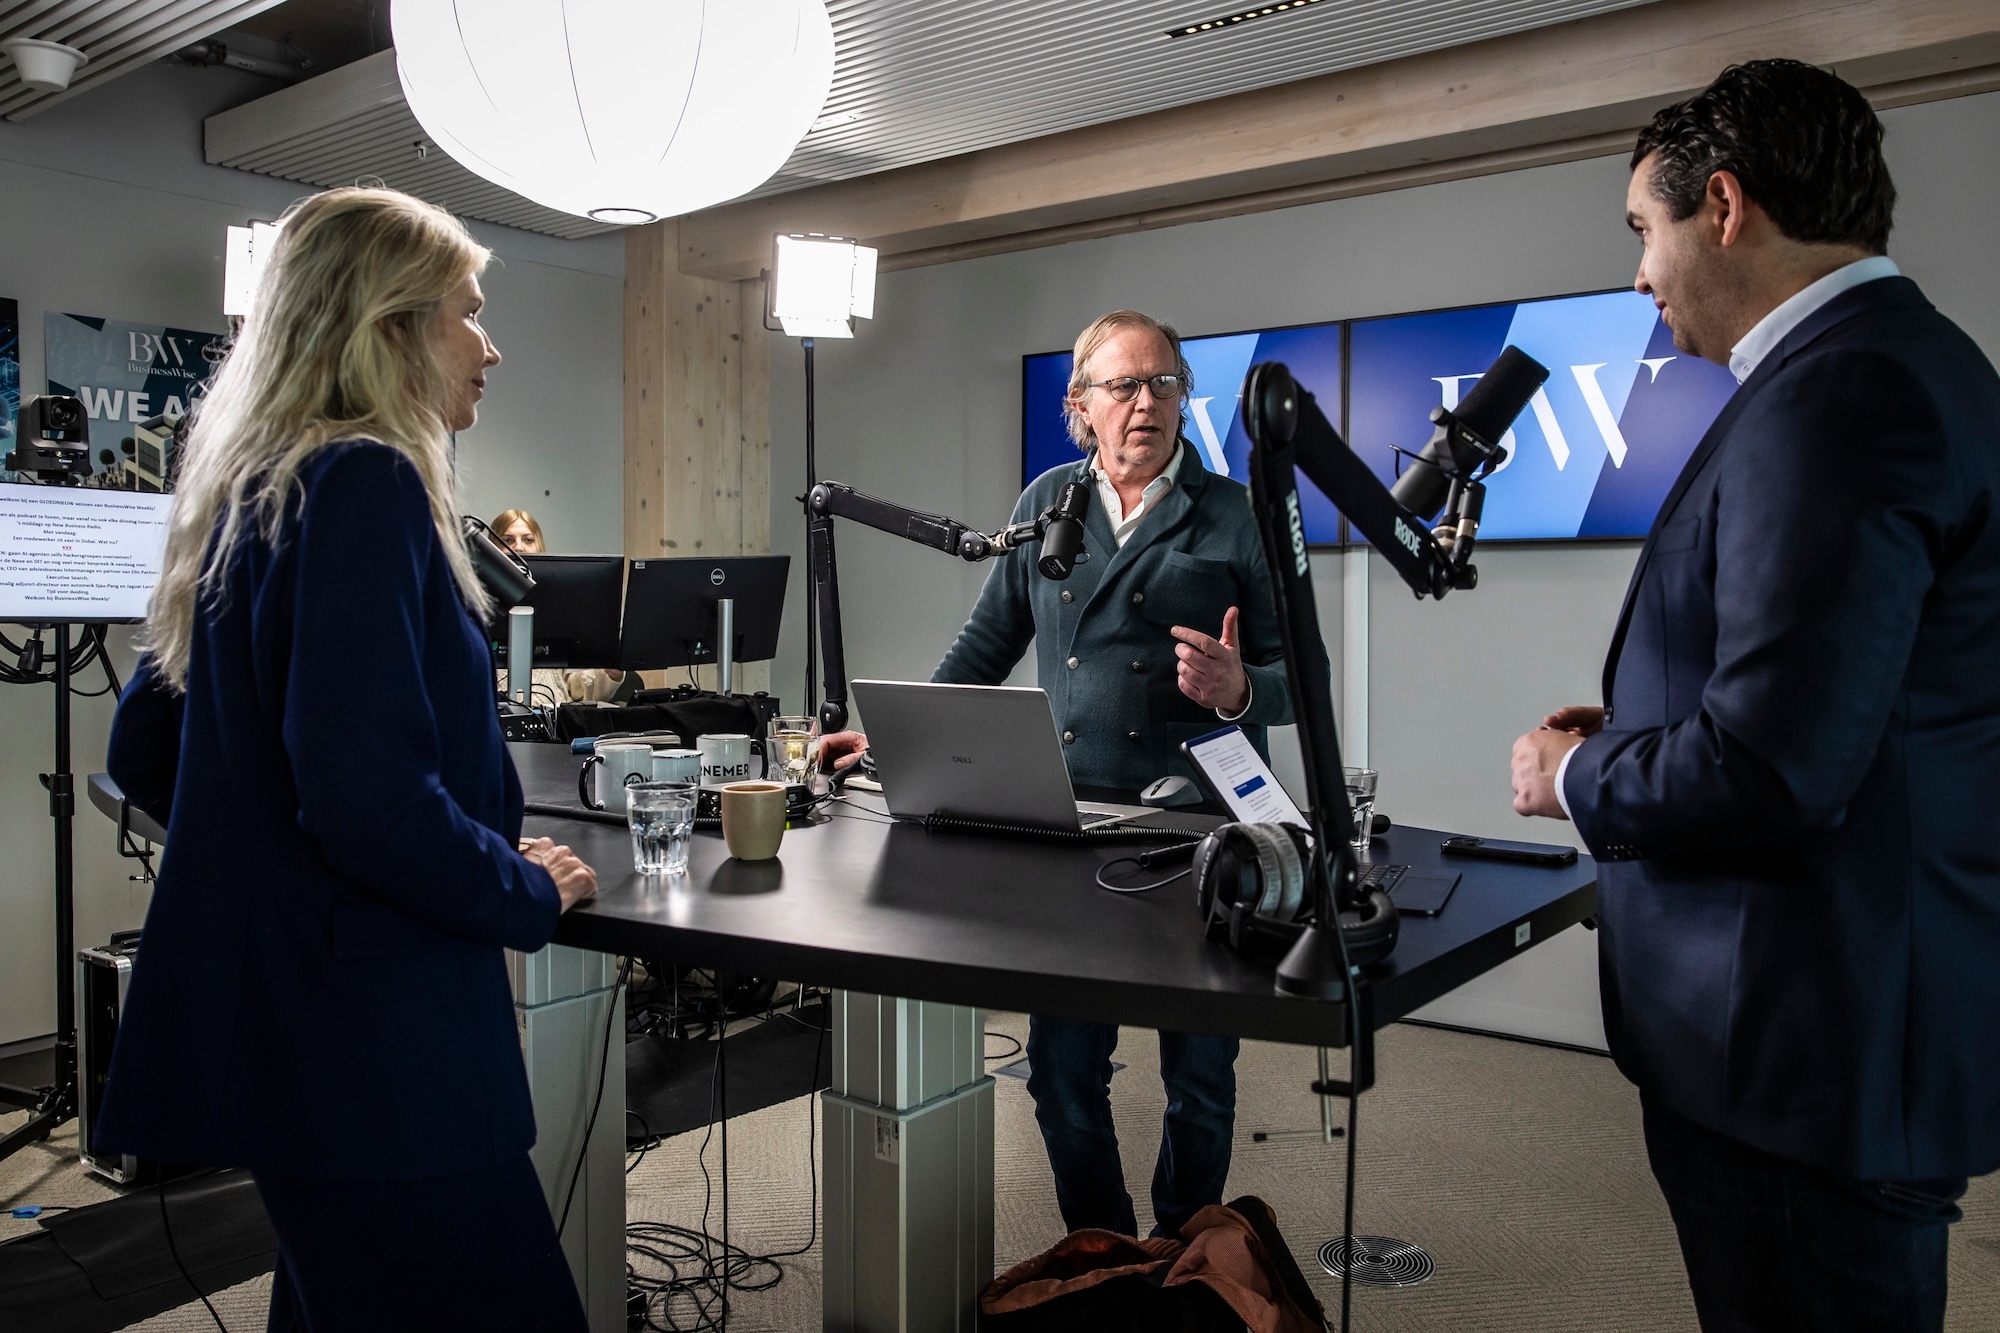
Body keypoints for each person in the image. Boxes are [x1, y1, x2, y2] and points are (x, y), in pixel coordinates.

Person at [1507, 60, 2000, 1332]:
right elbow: (1845, 700)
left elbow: (1777, 762)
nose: (1637, 275)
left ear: (1720, 206)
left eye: (1642, 232)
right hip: (1836, 1025)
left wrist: (1570, 774)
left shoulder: (1839, 390)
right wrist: (1634, 734)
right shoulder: (1907, 362)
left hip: (1802, 1050)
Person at [100, 187, 600, 1331]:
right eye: (466, 314)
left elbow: (145, 745)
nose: (491, 346)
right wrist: (514, 882)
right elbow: (368, 801)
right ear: (387, 326)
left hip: (286, 1033)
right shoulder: (368, 485)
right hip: (380, 1046)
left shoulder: (246, 491)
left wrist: (284, 858)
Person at [829, 309, 1305, 1240]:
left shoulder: (1238, 513)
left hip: (1200, 835)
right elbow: (984, 647)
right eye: (1123, 386)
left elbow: (1304, 682)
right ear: (1079, 407)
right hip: (1073, 826)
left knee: (1201, 1076)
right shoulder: (1046, 503)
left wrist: (1242, 683)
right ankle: (1105, 1245)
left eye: (1164, 384)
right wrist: (894, 741)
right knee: (1060, 1071)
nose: (1146, 403)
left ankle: (1181, 1251)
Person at [485, 506, 631, 706]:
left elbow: (575, 687)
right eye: (507, 540)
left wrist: (610, 673)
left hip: (555, 720)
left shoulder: (559, 603)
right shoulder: (475, 603)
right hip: (496, 718)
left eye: (528, 539)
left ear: (539, 546)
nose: (518, 547)